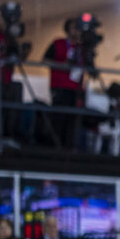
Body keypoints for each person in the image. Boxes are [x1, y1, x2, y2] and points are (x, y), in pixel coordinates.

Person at [43, 19, 88, 150]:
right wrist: (62, 65)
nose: (77, 31)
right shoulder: (58, 43)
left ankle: (70, 148)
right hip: (60, 86)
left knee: (73, 120)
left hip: (77, 89)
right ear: (68, 29)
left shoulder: (83, 48)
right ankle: (55, 147)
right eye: (74, 27)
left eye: (79, 28)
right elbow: (45, 61)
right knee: (58, 118)